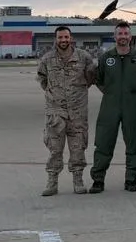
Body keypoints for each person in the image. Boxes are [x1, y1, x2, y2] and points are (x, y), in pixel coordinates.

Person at [90, 21, 136, 193]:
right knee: (103, 143)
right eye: (120, 34)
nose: (123, 37)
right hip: (109, 105)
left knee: (134, 143)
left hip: (132, 105)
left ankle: (131, 179)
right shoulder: (105, 58)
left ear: (130, 37)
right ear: (115, 36)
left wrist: (131, 92)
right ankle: (98, 180)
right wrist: (111, 94)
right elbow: (99, 80)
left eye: (126, 34)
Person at [36, 25, 95, 196]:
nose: (63, 40)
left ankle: (78, 180)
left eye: (66, 37)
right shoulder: (47, 60)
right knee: (55, 149)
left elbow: (91, 78)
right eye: (60, 37)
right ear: (56, 39)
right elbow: (43, 81)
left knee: (78, 149)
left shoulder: (84, 58)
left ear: (71, 38)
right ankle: (52, 182)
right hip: (56, 113)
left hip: (77, 112)